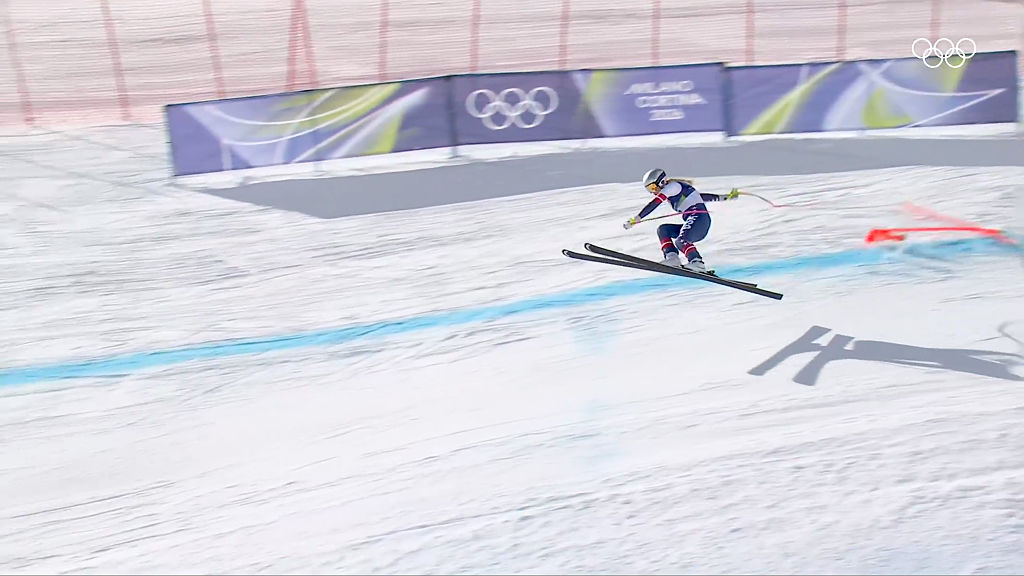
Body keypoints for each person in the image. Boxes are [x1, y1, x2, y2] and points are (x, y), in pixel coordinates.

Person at [622, 168, 740, 273]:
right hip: (695, 220)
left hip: (699, 219)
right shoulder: (677, 191)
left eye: (653, 187)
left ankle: (697, 262)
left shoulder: (673, 187)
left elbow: (655, 203)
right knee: (663, 230)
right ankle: (672, 257)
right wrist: (724, 197)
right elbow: (700, 196)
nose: (653, 191)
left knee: (681, 240)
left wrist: (637, 218)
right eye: (649, 189)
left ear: (661, 182)